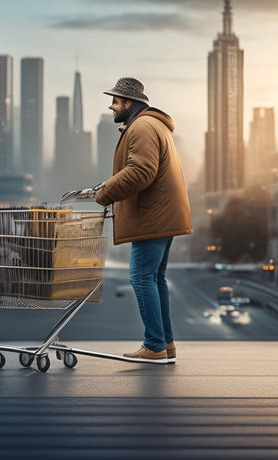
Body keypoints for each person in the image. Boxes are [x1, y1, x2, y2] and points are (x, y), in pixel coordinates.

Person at [94, 77, 193, 363]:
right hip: (162, 212)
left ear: (128, 103)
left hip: (153, 215)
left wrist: (105, 194)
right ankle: (165, 343)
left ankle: (154, 345)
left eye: (115, 101)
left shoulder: (142, 127)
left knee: (140, 276)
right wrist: (109, 185)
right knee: (155, 277)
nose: (111, 106)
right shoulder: (151, 125)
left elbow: (140, 171)